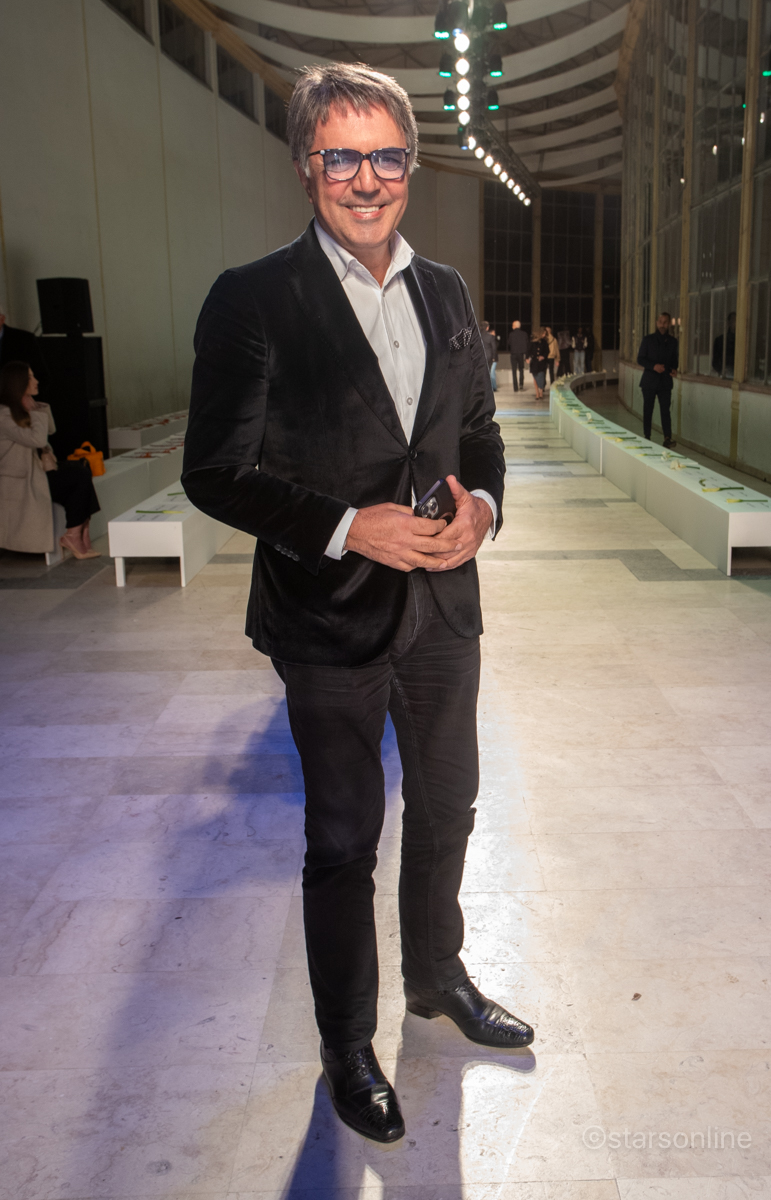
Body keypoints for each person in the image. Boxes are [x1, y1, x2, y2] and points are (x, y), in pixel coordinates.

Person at [182, 63, 533, 1146]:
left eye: (387, 156)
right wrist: (347, 526)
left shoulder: (447, 292)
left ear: (409, 166)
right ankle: (346, 1043)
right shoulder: (252, 298)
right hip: (328, 617)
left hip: (445, 610)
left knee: (450, 806)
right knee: (343, 840)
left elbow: (478, 432)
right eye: (343, 157)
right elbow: (215, 471)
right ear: (306, 165)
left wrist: (481, 506)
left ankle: (436, 977)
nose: (367, 179)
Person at [0, 361, 100, 558]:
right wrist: (36, 412)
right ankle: (75, 534)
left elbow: (50, 429)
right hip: (22, 482)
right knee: (78, 475)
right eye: (30, 377)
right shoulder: (4, 415)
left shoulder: (23, 408)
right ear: (18, 383)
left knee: (81, 469)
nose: (36, 381)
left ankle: (80, 531)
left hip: (38, 472)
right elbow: (37, 439)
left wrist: (37, 407)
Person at [637, 311, 679, 448]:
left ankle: (667, 438)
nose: (662, 325)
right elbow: (640, 359)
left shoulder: (673, 342)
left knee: (665, 411)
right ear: (656, 323)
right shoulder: (648, 340)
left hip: (665, 382)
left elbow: (674, 361)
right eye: (660, 322)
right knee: (648, 409)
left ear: (669, 324)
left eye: (665, 322)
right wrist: (653, 366)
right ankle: (647, 436)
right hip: (649, 381)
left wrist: (674, 369)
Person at [712, 311, 736, 378]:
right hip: (725, 374)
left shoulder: (744, 343)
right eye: (733, 320)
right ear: (729, 323)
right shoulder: (720, 340)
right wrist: (722, 370)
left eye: (737, 321)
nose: (735, 323)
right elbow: (715, 361)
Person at [507, 320, 529, 392]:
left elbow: (509, 343)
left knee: (514, 370)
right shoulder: (524, 334)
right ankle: (521, 384)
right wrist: (527, 356)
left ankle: (515, 387)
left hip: (513, 354)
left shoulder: (511, 334)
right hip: (521, 354)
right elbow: (527, 345)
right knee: (521, 369)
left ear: (515, 326)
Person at [529, 328, 549, 399]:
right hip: (534, 362)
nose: (544, 335)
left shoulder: (544, 342)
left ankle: (541, 392)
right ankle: (537, 393)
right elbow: (529, 350)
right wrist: (528, 358)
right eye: (543, 333)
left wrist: (543, 356)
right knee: (535, 377)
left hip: (542, 363)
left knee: (541, 377)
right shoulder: (532, 341)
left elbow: (547, 351)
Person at [480, 319, 498, 391]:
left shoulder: (477, 336)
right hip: (488, 356)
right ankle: (489, 388)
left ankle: (482, 387)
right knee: (489, 372)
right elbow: (494, 348)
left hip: (480, 356)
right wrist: (493, 357)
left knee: (481, 372)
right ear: (487, 327)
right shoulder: (490, 336)